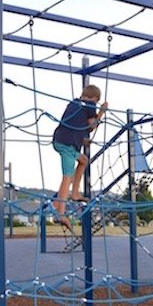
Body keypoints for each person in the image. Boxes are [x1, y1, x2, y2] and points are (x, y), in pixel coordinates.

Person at [52, 85, 108, 230]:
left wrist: (81, 140)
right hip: (68, 145)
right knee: (67, 178)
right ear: (94, 99)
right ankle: (61, 213)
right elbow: (92, 126)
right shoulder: (90, 105)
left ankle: (75, 193)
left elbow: (72, 125)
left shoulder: (73, 103)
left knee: (83, 160)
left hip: (60, 140)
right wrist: (101, 112)